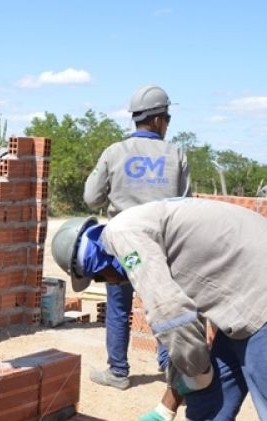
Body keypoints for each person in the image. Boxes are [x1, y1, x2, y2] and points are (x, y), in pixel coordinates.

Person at [51, 197, 267, 421]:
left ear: (94, 263)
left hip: (259, 301)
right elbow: (194, 330)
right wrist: (166, 408)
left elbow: (170, 315)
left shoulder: (123, 234)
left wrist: (197, 372)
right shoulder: (143, 233)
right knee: (208, 409)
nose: (112, 283)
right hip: (239, 296)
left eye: (100, 279)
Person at [82, 85, 191, 390]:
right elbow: (186, 205)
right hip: (162, 246)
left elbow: (91, 198)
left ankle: (118, 373)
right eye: (167, 118)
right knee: (163, 304)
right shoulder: (176, 154)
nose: (167, 124)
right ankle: (169, 369)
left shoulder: (115, 152)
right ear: (157, 120)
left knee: (119, 307)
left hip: (123, 248)